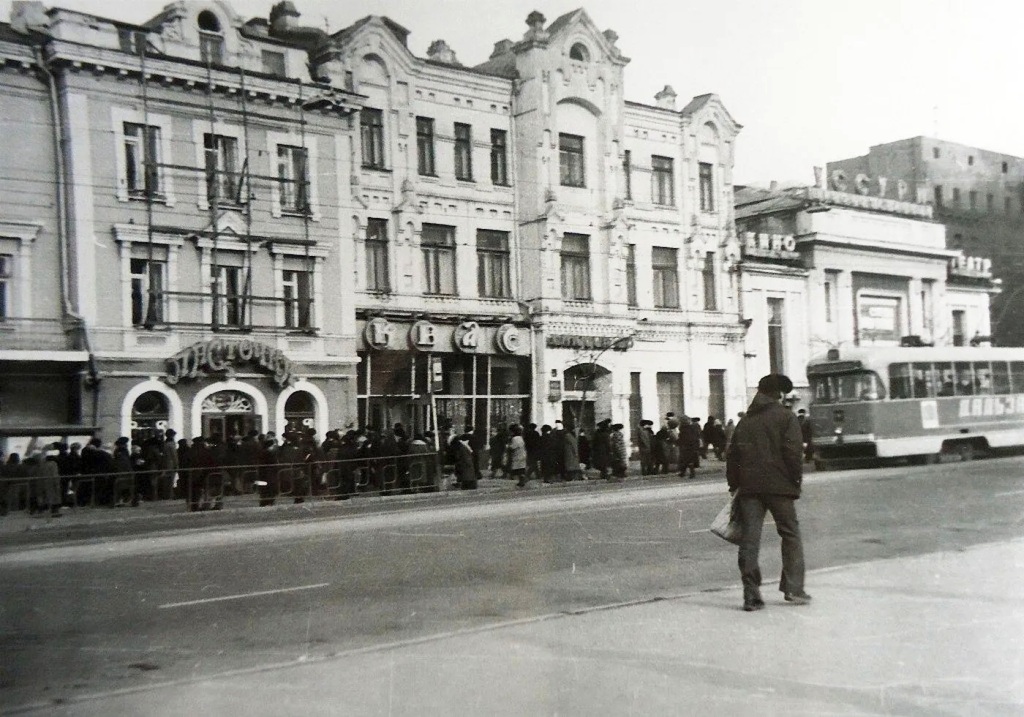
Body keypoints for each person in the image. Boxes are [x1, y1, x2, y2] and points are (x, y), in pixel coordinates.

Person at [726, 373, 810, 612]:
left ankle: (751, 595)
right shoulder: (786, 417)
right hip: (781, 486)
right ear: (780, 394)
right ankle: (793, 589)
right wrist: (795, 482)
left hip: (749, 488)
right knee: (790, 534)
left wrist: (735, 485)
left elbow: (733, 457)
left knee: (750, 540)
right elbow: (794, 454)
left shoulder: (745, 421)